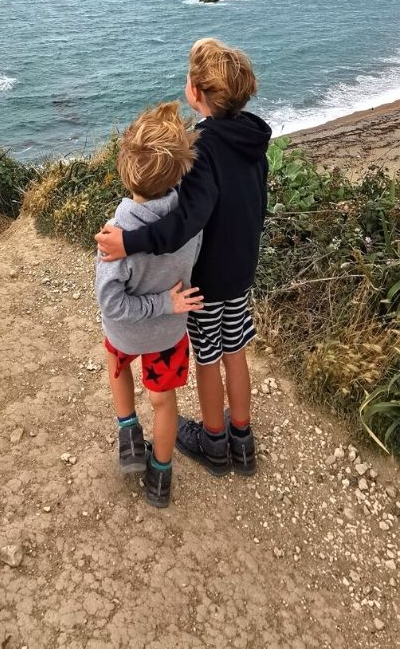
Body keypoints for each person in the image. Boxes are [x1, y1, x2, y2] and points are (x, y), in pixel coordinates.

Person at [96, 37, 271, 477]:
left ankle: (214, 441)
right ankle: (243, 442)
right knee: (237, 351)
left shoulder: (203, 148)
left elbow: (187, 222)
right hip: (241, 269)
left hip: (208, 278)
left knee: (210, 356)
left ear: (195, 92)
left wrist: (130, 243)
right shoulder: (253, 136)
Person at [95, 101, 204, 508]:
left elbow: (111, 305)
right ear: (180, 170)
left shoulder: (115, 235)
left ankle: (127, 433)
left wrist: (157, 301)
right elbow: (190, 267)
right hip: (168, 336)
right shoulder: (191, 225)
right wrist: (168, 303)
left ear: (126, 170)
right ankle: (160, 478)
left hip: (126, 333)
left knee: (118, 366)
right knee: (163, 403)